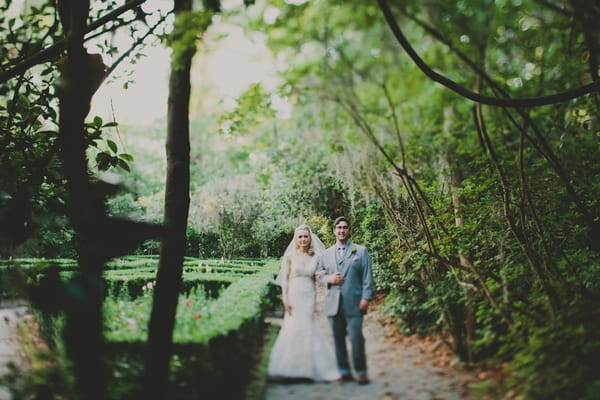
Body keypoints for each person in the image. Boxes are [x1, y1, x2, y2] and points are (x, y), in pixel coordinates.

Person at [268, 224, 341, 382]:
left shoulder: (316, 257)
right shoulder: (290, 256)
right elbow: (285, 280)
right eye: (300, 236)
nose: (303, 239)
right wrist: (285, 299)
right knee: (292, 327)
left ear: (310, 238)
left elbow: (320, 277)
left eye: (305, 236)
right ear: (296, 238)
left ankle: (309, 369)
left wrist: (331, 279)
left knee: (308, 326)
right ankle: (290, 368)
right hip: (294, 294)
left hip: (309, 294)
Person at [315, 216, 374, 385]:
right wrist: (329, 279)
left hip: (355, 303)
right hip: (333, 303)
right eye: (339, 227)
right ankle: (344, 371)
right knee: (338, 340)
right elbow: (319, 276)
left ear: (349, 230)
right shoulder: (325, 254)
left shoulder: (361, 251)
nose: (342, 230)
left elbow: (367, 278)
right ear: (334, 230)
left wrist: (366, 298)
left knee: (356, 339)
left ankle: (361, 372)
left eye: (345, 227)